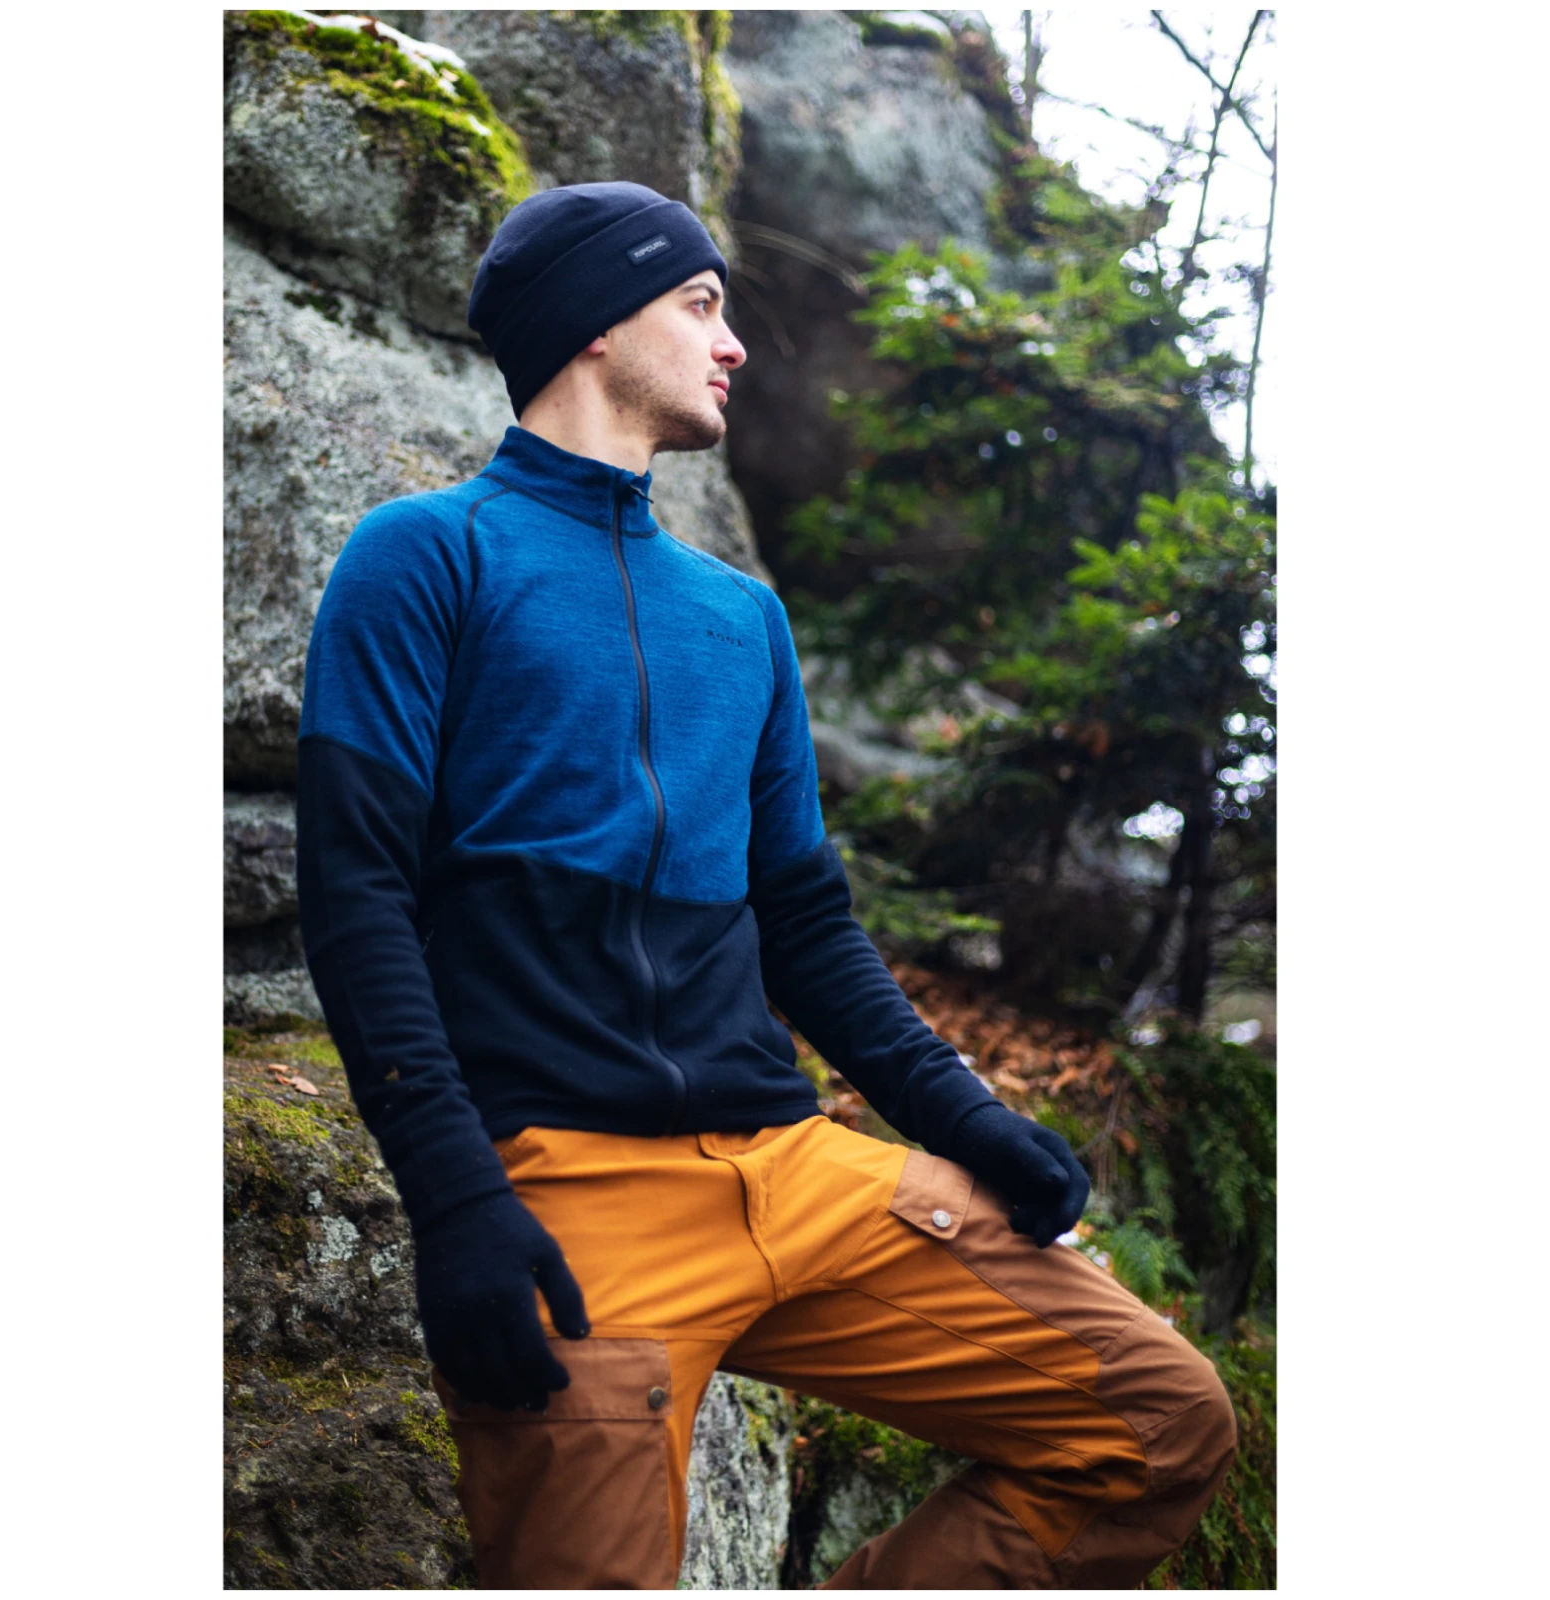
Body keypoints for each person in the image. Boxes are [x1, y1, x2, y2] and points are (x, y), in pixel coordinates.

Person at [296, 180, 1236, 1588]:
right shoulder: (426, 556)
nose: (733, 343)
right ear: (594, 324)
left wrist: (970, 1120)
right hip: (573, 1194)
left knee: (1161, 1424)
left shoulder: (740, 616)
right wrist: (457, 1203)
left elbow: (805, 925)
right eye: (701, 304)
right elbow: (354, 896)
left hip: (795, 1174)